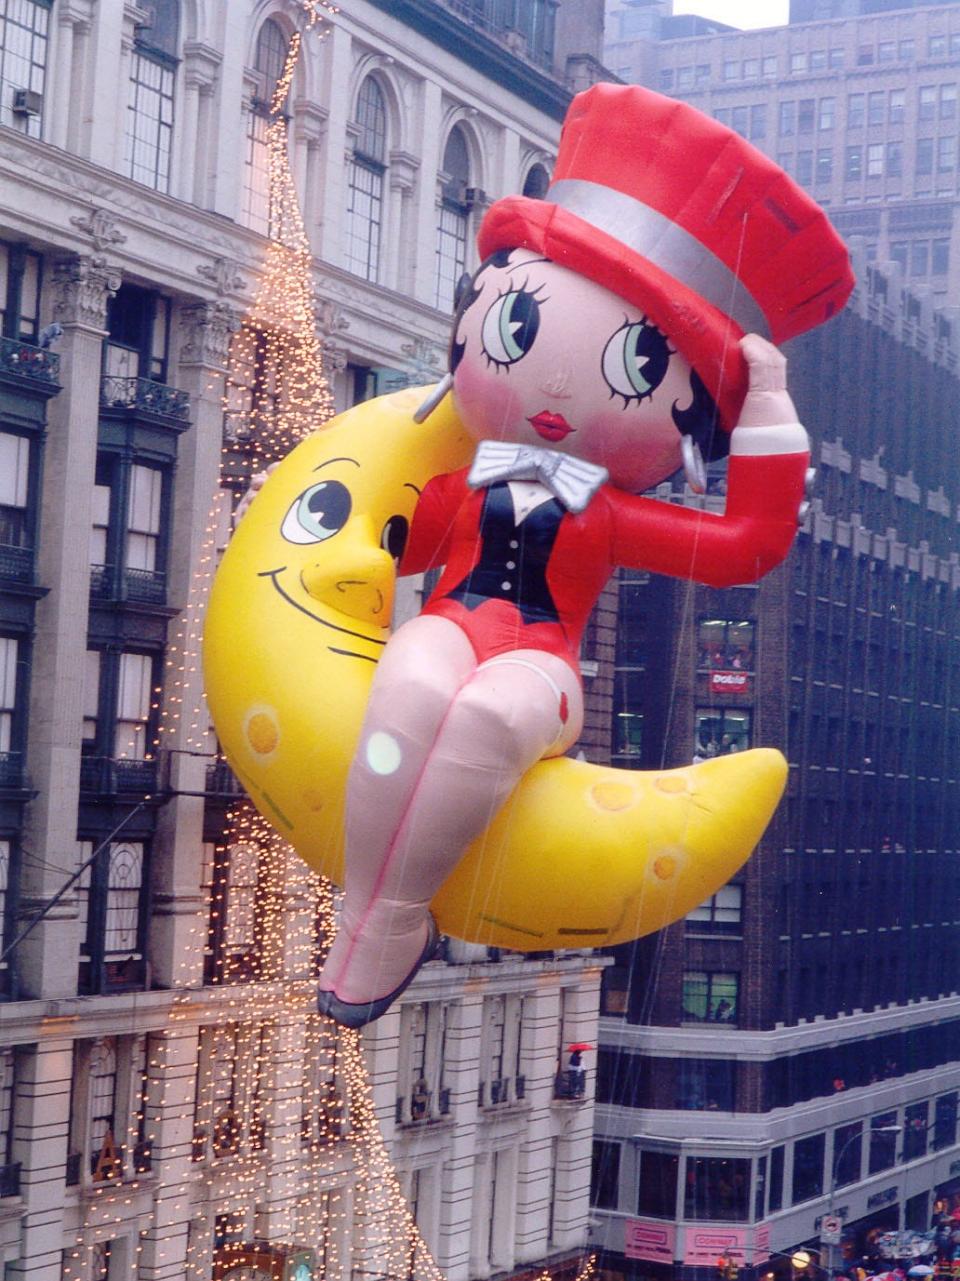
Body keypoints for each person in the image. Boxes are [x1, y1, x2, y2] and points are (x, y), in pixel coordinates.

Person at [310, 83, 852, 1027]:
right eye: (519, 328)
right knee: (408, 691)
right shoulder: (466, 481)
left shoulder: (607, 514)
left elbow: (746, 546)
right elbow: (395, 537)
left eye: (641, 366)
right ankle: (374, 912)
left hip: (541, 665)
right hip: (446, 623)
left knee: (481, 719)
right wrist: (351, 561)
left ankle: (391, 915)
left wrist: (768, 408)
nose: (556, 387)